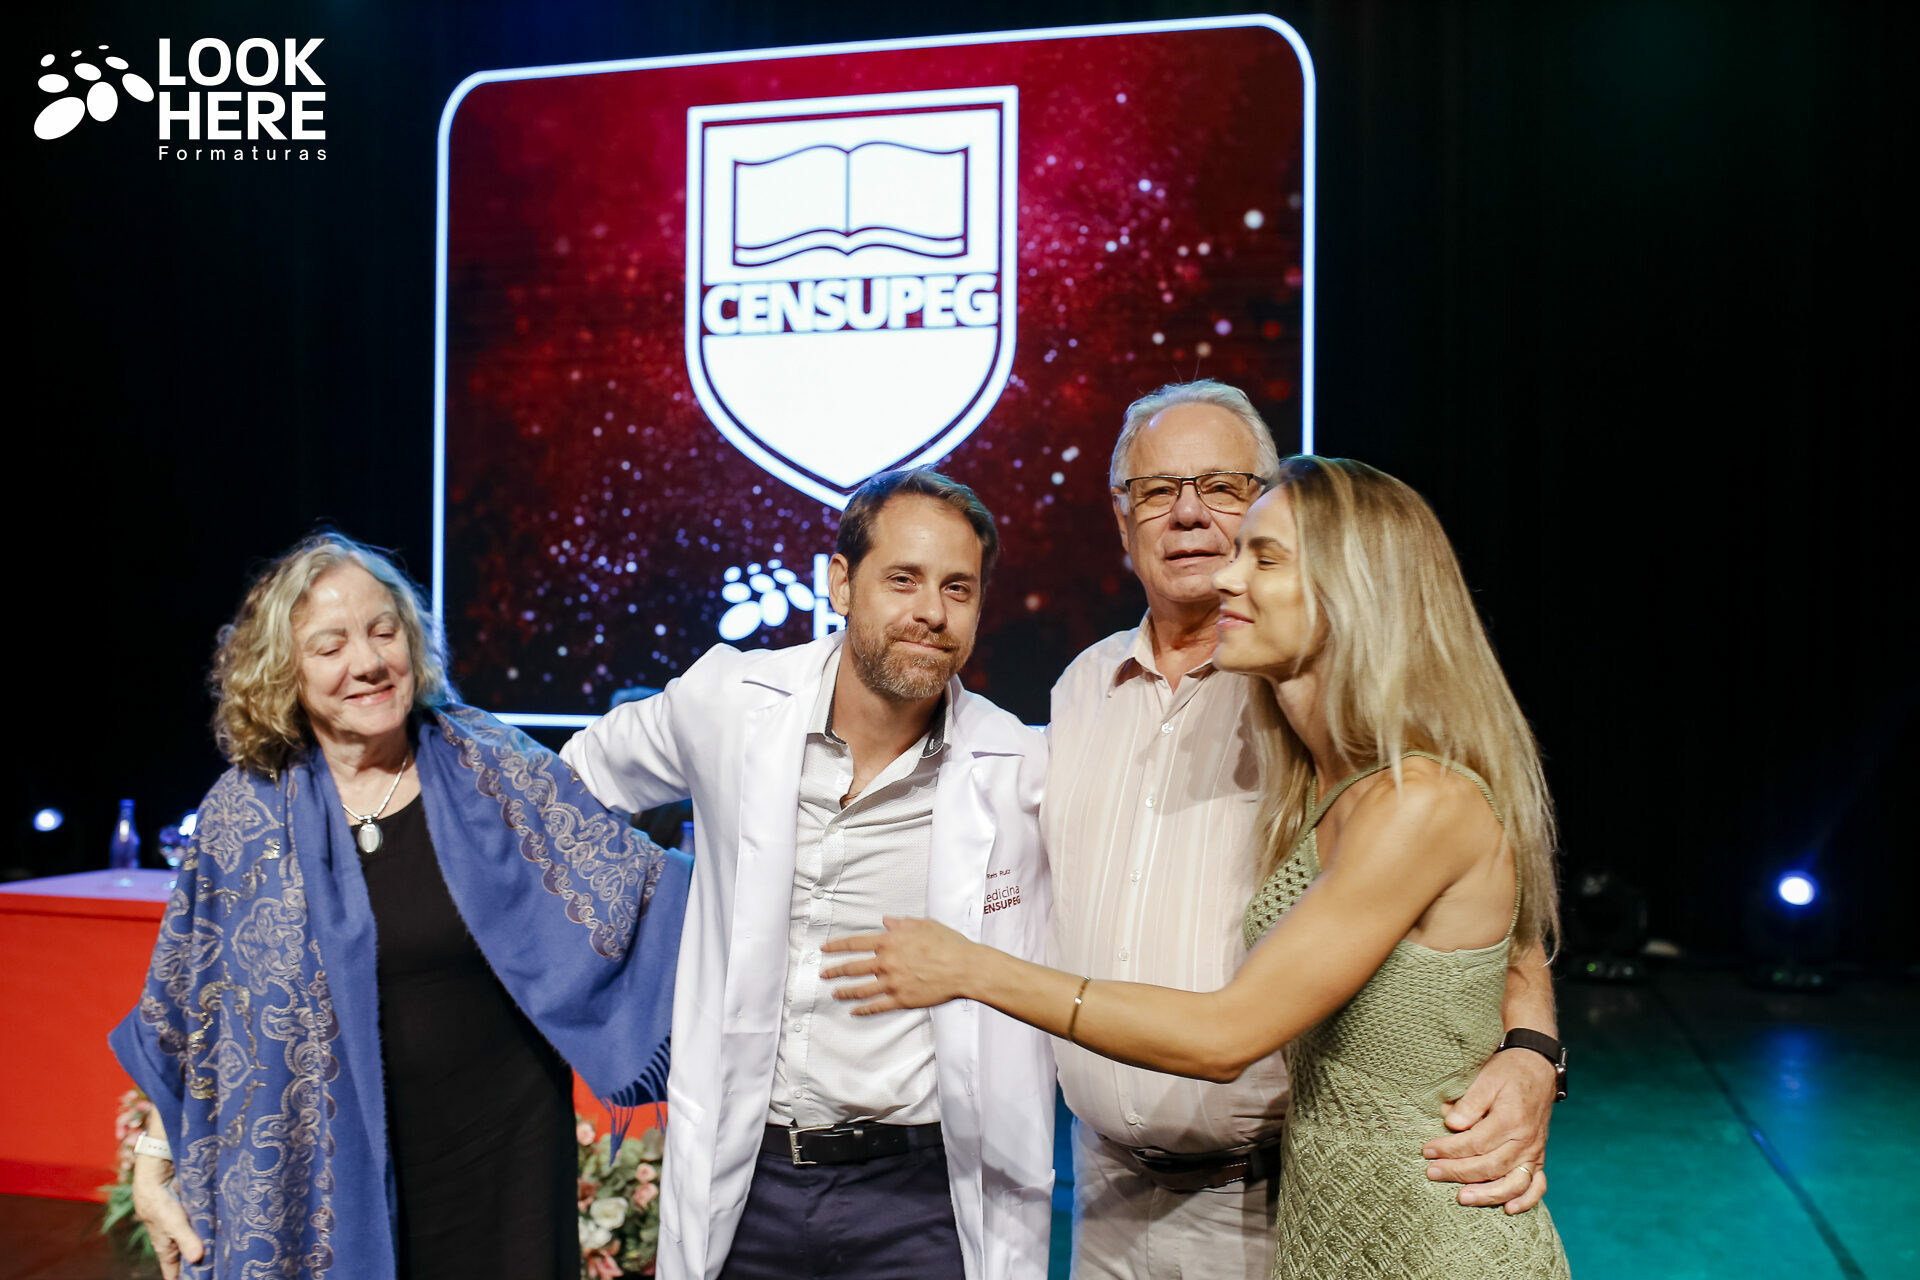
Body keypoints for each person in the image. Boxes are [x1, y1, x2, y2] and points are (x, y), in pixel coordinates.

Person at [826, 457, 1572, 1278]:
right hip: (1282, 1227)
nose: (1226, 575)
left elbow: (1228, 1035)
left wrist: (1534, 1049)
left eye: (1262, 554)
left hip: (1424, 1235)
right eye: (1156, 491)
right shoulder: (1302, 766)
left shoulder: (1418, 799)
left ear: (1352, 589)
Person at [1044, 382, 1560, 1279]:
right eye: (1158, 491)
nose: (1190, 516)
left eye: (1222, 488)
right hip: (1105, 1197)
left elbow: (1498, 922)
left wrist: (1533, 1053)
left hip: (1273, 1200)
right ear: (1121, 518)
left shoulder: (1303, 700)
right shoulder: (1081, 689)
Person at [112, 534, 690, 1280]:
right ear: (284, 670)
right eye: (331, 646)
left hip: (501, 1171)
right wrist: (154, 1158)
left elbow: (642, 894)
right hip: (317, 1184)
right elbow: (200, 1009)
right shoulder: (244, 814)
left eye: (384, 632)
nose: (368, 662)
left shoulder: (495, 767)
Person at [559, 469, 1055, 1280]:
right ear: (840, 583)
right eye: (904, 579)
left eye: (958, 588)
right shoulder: (730, 701)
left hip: (920, 1197)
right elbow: (569, 787)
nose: (932, 611)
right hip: (748, 1179)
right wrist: (639, 944)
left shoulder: (1017, 767)